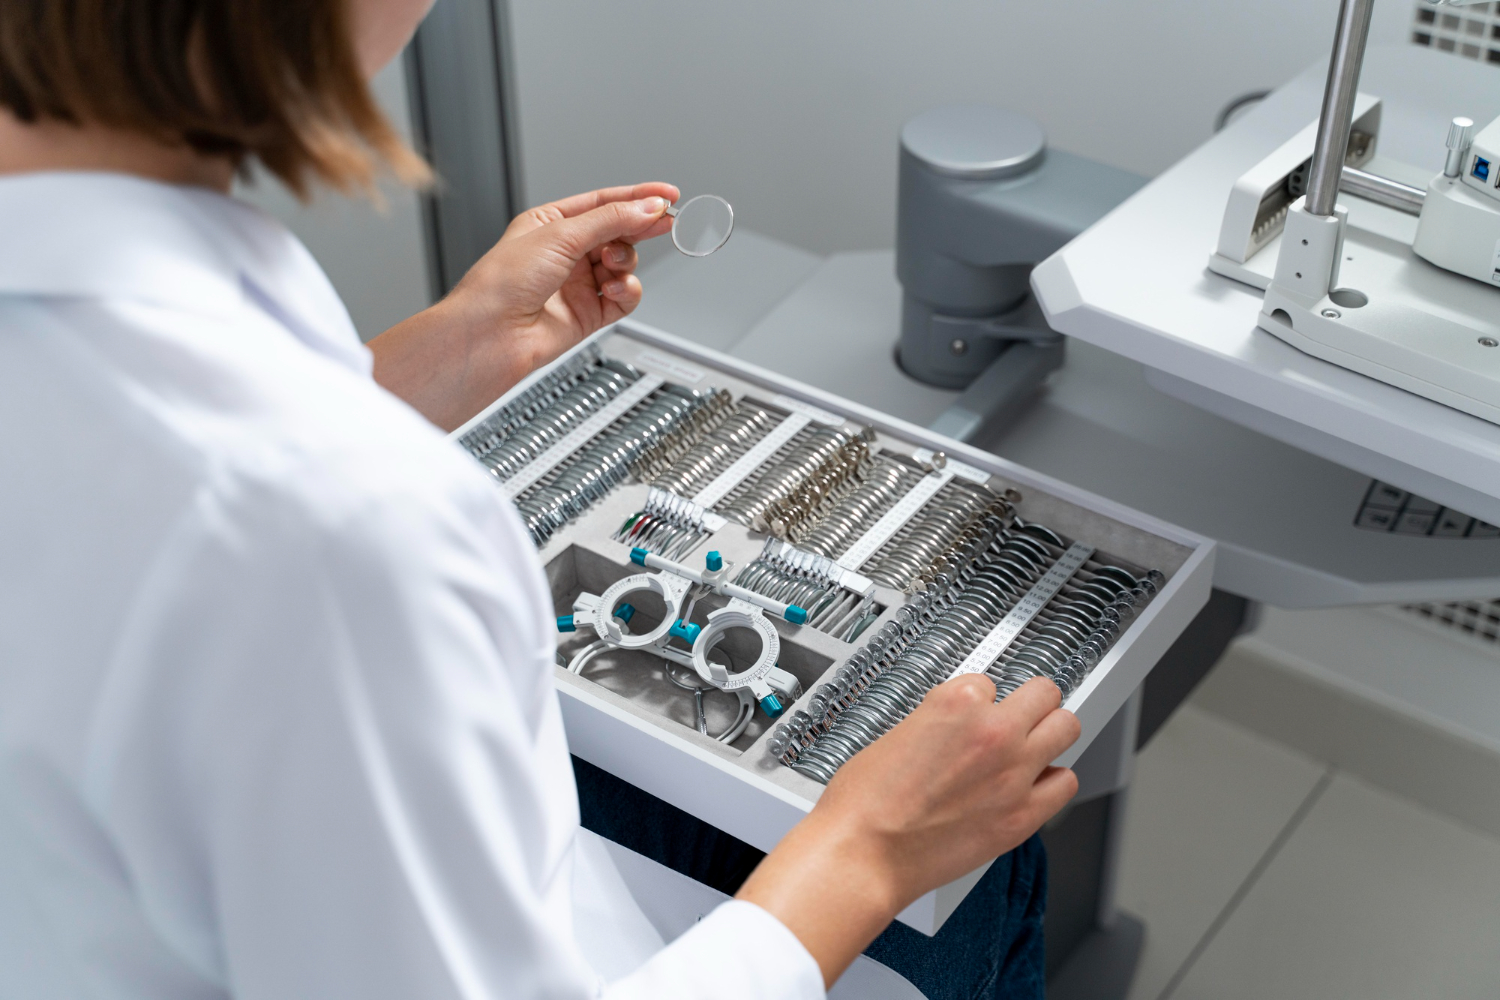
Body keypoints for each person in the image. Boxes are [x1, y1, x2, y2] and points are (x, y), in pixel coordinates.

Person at [0, 1, 1082, 998]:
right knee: (980, 880)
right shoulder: (344, 532)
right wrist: (868, 848)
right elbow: (265, 515)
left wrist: (439, 355)